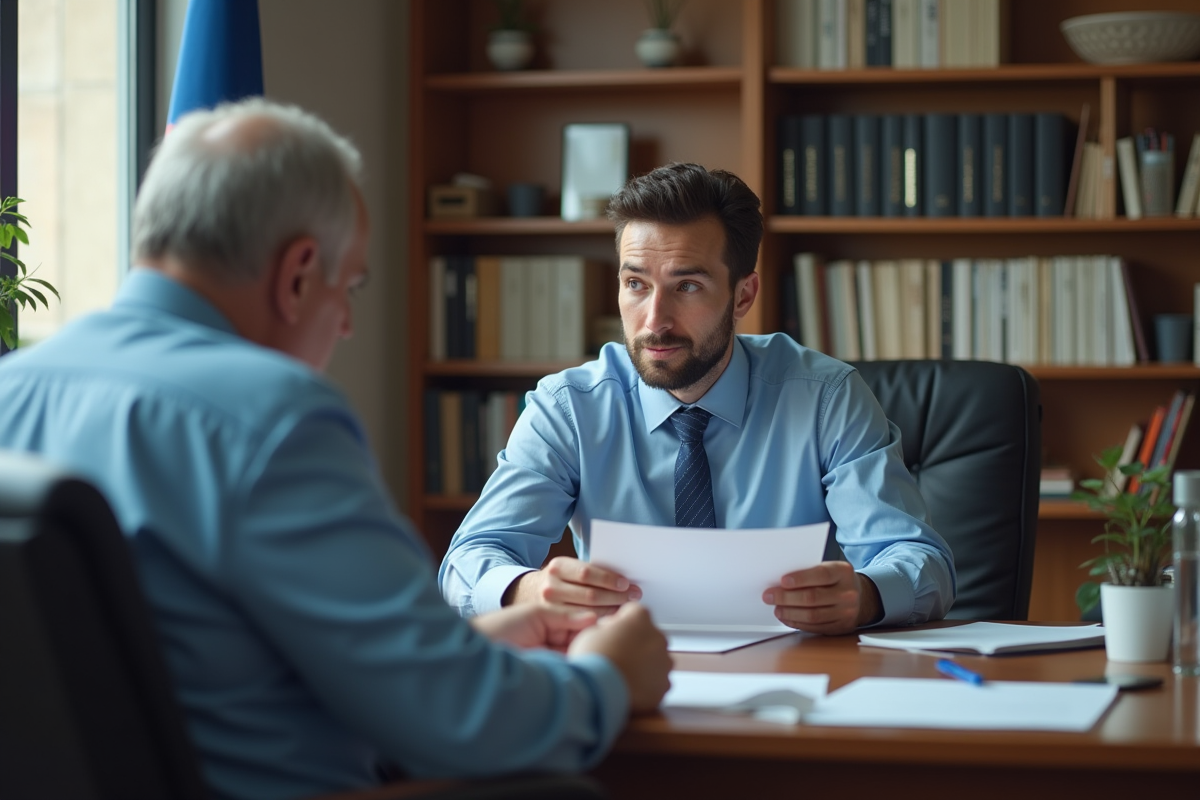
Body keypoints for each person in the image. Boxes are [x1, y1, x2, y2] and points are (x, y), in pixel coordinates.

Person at [0, 99, 671, 800]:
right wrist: (608, 678)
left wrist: (463, 650)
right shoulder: (271, 419)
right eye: (347, 286)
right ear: (297, 274)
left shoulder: (11, 389)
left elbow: (199, 663)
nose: (347, 321)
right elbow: (465, 723)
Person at [439, 162, 956, 634]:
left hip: (794, 681)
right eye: (636, 284)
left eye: (687, 287)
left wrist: (865, 596)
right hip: (620, 678)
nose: (654, 320)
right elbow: (470, 559)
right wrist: (527, 589)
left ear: (743, 295)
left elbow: (918, 559)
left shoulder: (826, 397)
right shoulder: (569, 407)